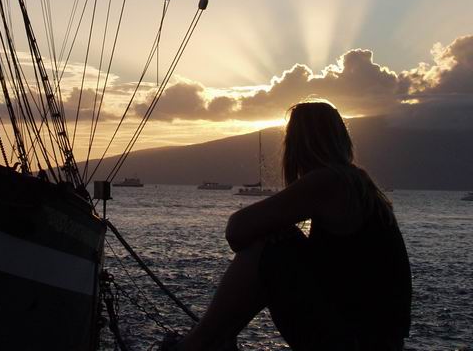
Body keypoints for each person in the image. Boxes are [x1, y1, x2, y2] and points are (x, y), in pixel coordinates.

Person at [170, 100, 411, 351]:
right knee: (278, 238)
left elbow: (237, 230)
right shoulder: (357, 182)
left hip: (355, 341)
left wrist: (272, 237)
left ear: (298, 145)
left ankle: (198, 344)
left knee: (267, 246)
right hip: (379, 339)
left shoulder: (330, 181)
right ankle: (215, 340)